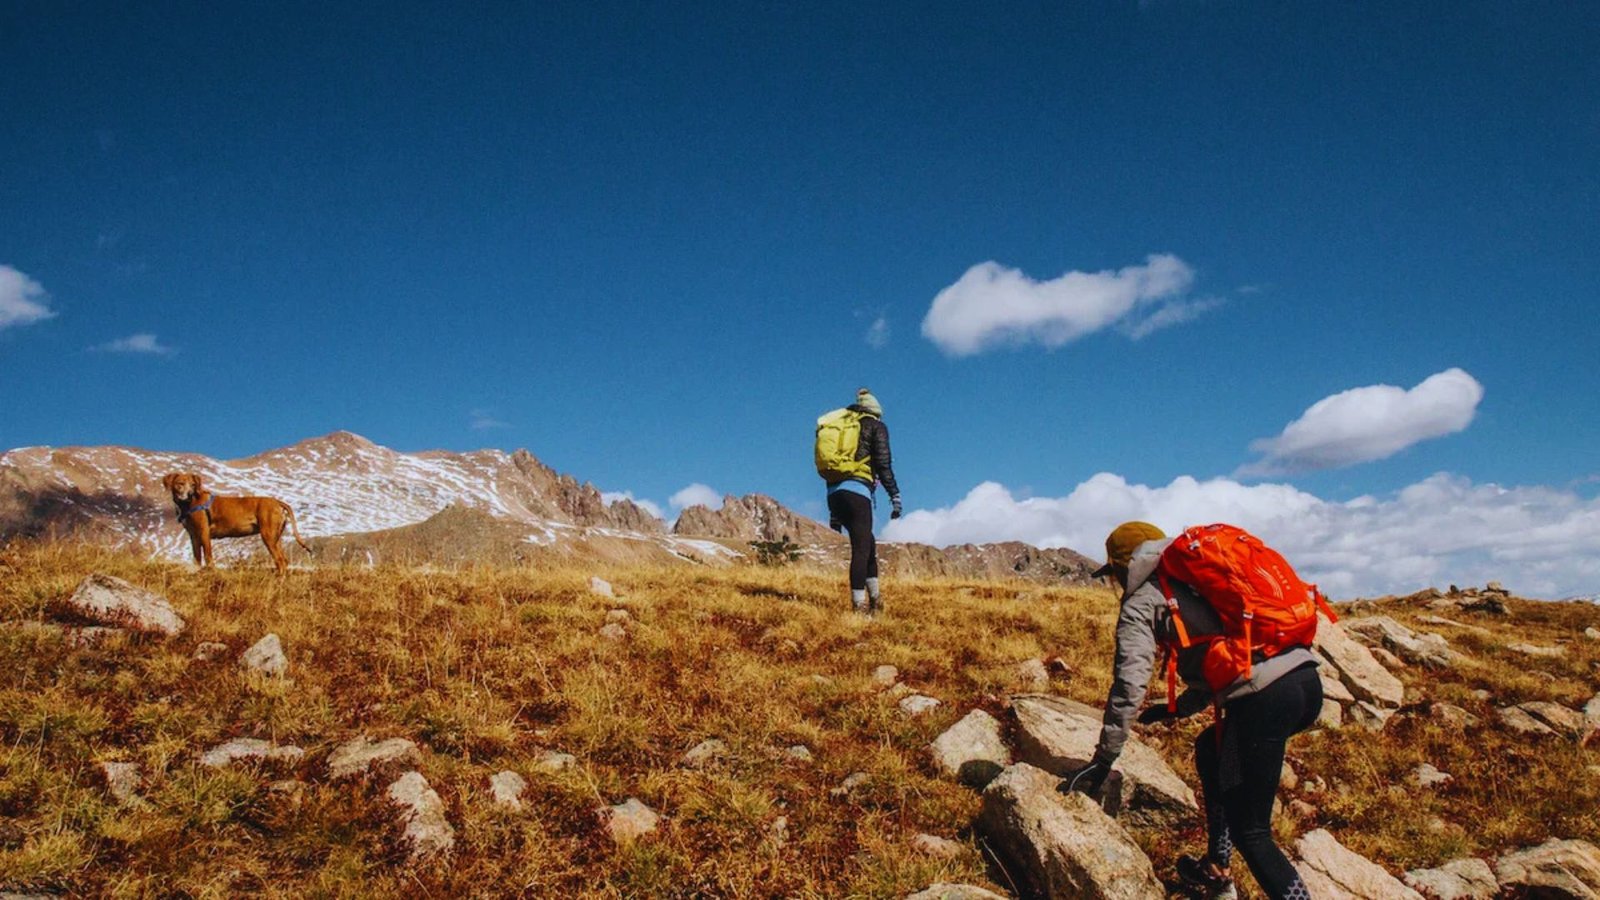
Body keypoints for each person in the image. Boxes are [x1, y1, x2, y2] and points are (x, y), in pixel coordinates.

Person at [1061, 521, 1322, 900]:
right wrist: (1178, 709)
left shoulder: (1142, 601)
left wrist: (1104, 759)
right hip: (1305, 683)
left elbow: (1129, 683)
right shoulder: (1198, 577)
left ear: (1122, 566)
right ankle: (1216, 870)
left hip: (1265, 700)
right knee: (1211, 750)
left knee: (1254, 833)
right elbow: (1225, 655)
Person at [825, 388, 901, 616]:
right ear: (876, 411)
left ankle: (876, 601)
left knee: (868, 544)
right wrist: (894, 495)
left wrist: (835, 513)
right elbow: (883, 463)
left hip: (834, 494)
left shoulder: (842, 427)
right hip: (857, 493)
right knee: (861, 549)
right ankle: (859, 608)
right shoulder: (875, 426)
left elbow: (834, 466)